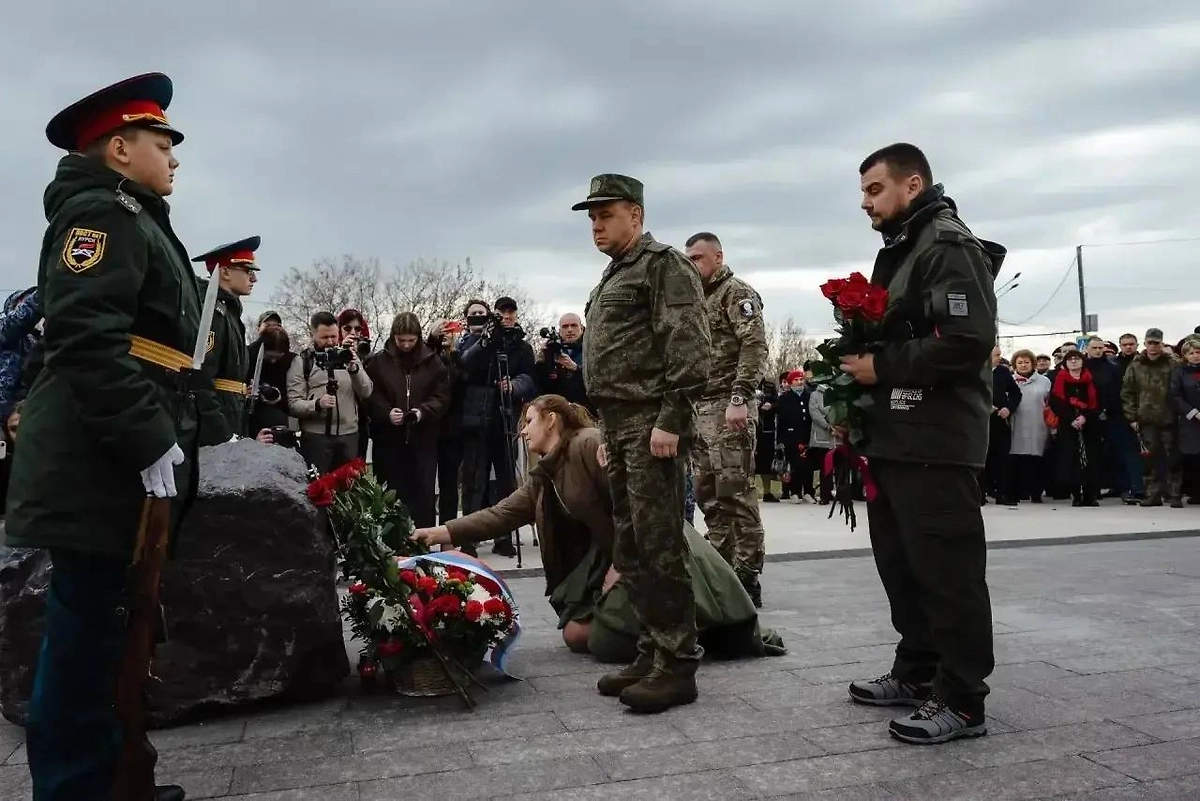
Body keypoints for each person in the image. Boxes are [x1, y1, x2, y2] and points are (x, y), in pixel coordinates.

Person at [5, 72, 199, 801]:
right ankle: (74, 789)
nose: (174, 158)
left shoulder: (134, 215)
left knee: (111, 627)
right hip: (95, 456)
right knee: (84, 633)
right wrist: (148, 436)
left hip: (107, 451)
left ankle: (112, 776)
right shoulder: (104, 215)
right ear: (119, 148)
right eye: (161, 143)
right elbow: (87, 341)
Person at [413, 394, 784, 664]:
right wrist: (442, 532)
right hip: (611, 557)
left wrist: (621, 564)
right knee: (576, 635)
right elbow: (504, 513)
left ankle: (684, 635)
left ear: (553, 420)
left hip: (646, 548)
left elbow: (635, 503)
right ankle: (671, 630)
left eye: (529, 421)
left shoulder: (588, 443)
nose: (523, 431)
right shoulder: (546, 470)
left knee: (597, 642)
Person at [840, 143, 1003, 745]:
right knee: (904, 565)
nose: (865, 203)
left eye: (874, 191)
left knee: (947, 571)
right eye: (862, 193)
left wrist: (879, 369)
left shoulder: (946, 244)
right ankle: (919, 672)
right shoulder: (904, 247)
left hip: (937, 437)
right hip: (899, 436)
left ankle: (962, 700)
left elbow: (967, 341)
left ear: (912, 185)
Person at [575, 173, 711, 713]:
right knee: (631, 544)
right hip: (619, 422)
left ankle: (677, 665)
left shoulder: (663, 265)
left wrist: (671, 419)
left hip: (652, 420)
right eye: (592, 218)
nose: (596, 226)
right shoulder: (615, 274)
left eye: (605, 215)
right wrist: (607, 429)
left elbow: (689, 347)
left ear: (635, 214)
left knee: (659, 544)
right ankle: (652, 649)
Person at [683, 232, 769, 606]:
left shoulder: (736, 293)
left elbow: (754, 346)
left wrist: (739, 398)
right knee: (709, 497)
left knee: (736, 495)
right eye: (688, 259)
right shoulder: (694, 299)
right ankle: (721, 571)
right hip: (698, 409)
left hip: (727, 407)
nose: (693, 264)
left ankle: (747, 576)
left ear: (718, 256)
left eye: (698, 257)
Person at [457, 296, 537, 557]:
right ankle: (468, 536)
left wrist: (514, 387)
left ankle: (504, 536)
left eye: (511, 312)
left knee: (506, 481)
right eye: (502, 312)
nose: (507, 316)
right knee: (473, 480)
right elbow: (466, 364)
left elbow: (530, 378)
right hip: (476, 420)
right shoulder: (475, 340)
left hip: (504, 417)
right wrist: (487, 341)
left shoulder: (521, 347)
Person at [365, 312, 450, 528]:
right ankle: (391, 545)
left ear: (418, 338)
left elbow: (442, 397)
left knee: (423, 495)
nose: (405, 345)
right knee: (389, 495)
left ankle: (423, 544)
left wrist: (422, 412)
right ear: (393, 337)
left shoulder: (433, 362)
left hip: (423, 440)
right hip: (388, 441)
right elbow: (369, 395)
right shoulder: (378, 362)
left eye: (410, 341)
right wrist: (386, 413)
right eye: (400, 340)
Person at [191, 236, 272, 445]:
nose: (254, 279)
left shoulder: (230, 313)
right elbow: (201, 380)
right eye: (248, 271)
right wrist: (223, 435)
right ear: (225, 272)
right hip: (217, 429)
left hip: (232, 415)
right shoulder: (212, 314)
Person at [286, 311, 374, 474]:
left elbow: (367, 391)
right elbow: (293, 404)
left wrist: (355, 369)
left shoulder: (348, 356)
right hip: (316, 438)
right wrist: (317, 404)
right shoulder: (303, 361)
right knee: (317, 492)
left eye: (334, 336)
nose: (330, 342)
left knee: (347, 493)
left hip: (349, 436)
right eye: (324, 338)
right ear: (313, 334)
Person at [1122, 327, 1182, 507]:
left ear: (1162, 344)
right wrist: (1132, 417)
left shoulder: (1173, 364)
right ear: (1145, 343)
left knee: (1173, 458)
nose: (1153, 347)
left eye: (1157, 343)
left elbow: (1180, 390)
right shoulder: (1136, 364)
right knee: (1149, 459)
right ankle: (1152, 494)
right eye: (1150, 343)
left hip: (1169, 418)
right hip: (1145, 419)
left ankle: (1175, 494)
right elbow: (1127, 392)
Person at [1048, 350, 1103, 506]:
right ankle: (1076, 495)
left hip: (1089, 424)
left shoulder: (1091, 379)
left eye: (1077, 359)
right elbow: (1056, 402)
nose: (1073, 362)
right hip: (1068, 425)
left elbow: (1097, 402)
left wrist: (1085, 416)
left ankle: (1090, 494)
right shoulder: (1060, 379)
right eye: (1070, 359)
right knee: (1071, 460)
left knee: (1090, 459)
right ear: (1065, 363)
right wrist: (1071, 419)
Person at [1006, 349, 1051, 503]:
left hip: (1038, 424)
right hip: (1016, 424)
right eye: (1019, 362)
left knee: (1037, 460)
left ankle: (1036, 492)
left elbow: (1049, 403)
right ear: (1014, 365)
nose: (1023, 365)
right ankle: (1018, 492)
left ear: (1033, 364)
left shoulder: (1044, 381)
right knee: (1017, 459)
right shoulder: (1009, 380)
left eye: (1027, 362)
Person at [984, 345, 1021, 505]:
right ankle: (980, 493)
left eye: (1000, 355)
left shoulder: (1002, 372)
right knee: (982, 458)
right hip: (981, 421)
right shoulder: (973, 371)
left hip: (1000, 419)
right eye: (996, 355)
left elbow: (1015, 393)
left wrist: (1009, 408)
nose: (999, 358)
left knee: (1002, 458)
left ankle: (1003, 493)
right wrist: (984, 405)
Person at [534, 312, 592, 412]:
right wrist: (543, 359)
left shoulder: (590, 349)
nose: (569, 330)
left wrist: (575, 368)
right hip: (558, 411)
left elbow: (596, 379)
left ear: (582, 329)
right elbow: (540, 385)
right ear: (560, 331)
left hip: (586, 409)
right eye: (565, 327)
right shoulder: (552, 350)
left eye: (573, 325)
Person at [1170, 337, 1200, 504]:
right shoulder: (1180, 372)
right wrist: (1192, 412)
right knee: (1191, 457)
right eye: (1191, 353)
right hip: (1190, 420)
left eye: (1198, 352)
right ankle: (1192, 492)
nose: (1195, 356)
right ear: (1185, 355)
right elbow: (1176, 395)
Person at [775, 370, 813, 502]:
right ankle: (795, 492)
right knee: (794, 464)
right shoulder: (785, 398)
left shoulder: (809, 396)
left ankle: (808, 491)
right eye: (796, 380)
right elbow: (781, 421)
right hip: (791, 436)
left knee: (807, 465)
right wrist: (780, 439)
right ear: (791, 383)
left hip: (807, 435)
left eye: (801, 379)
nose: (799, 382)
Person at [754, 377, 780, 502]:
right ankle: (749, 491)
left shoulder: (769, 385)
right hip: (750, 428)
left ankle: (767, 492)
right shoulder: (744, 384)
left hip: (767, 430)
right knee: (749, 462)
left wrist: (771, 406)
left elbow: (778, 403)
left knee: (766, 462)